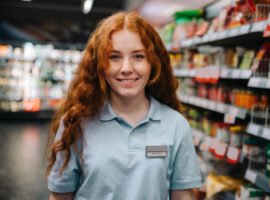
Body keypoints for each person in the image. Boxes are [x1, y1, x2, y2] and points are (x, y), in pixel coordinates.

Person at [46, 11, 202, 200]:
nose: (126, 68)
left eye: (138, 56)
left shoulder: (176, 125)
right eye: (114, 57)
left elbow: (182, 196)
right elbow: (60, 196)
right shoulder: (76, 123)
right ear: (99, 64)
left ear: (152, 63)